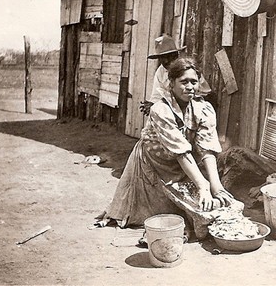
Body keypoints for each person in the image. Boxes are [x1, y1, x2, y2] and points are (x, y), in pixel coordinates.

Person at [96, 57, 234, 235]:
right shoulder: (160, 110)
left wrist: (216, 186)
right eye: (184, 82)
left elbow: (207, 149)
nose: (190, 87)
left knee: (213, 205)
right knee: (156, 213)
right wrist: (203, 186)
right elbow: (181, 152)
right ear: (171, 83)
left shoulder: (204, 108)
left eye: (194, 81)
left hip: (181, 166)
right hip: (152, 164)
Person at [140, 34, 211, 116]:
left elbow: (205, 94)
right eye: (162, 57)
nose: (166, 61)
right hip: (173, 110)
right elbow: (157, 96)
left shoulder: (187, 68)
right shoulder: (161, 72)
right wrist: (151, 105)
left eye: (168, 56)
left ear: (176, 55)